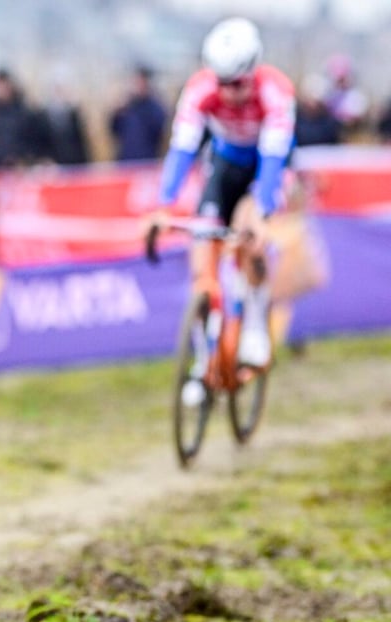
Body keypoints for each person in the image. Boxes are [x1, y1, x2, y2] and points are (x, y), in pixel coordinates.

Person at [151, 17, 295, 406]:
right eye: (221, 83)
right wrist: (164, 205)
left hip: (266, 169)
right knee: (203, 263)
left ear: (252, 70)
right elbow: (182, 148)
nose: (228, 92)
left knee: (248, 230)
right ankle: (203, 363)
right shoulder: (200, 90)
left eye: (236, 83)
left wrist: (262, 212)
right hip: (225, 166)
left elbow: (273, 158)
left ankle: (255, 328)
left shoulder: (275, 92)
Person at [109, 65, 168, 162]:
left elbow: (159, 130)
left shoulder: (154, 106)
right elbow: (114, 131)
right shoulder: (126, 105)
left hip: (147, 160)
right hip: (125, 161)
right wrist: (116, 113)